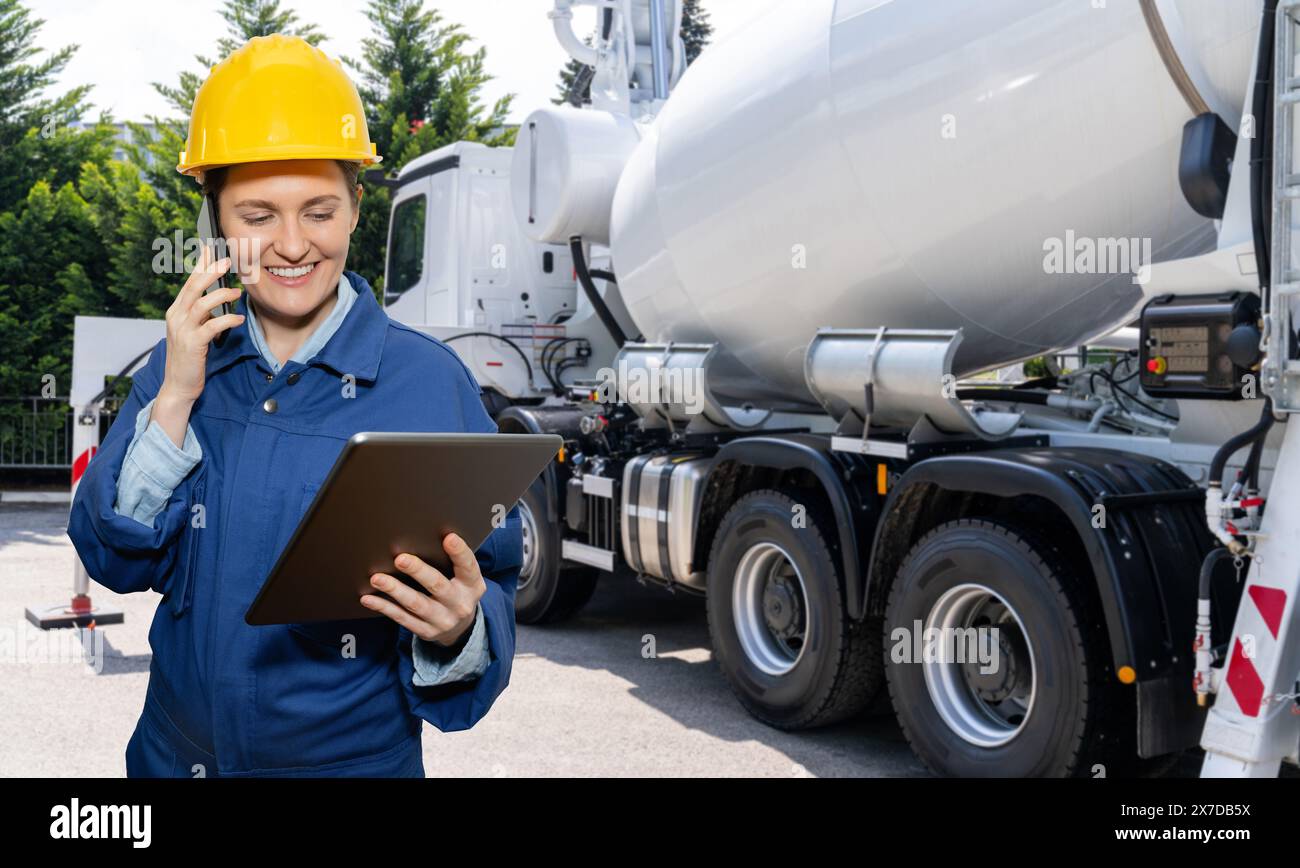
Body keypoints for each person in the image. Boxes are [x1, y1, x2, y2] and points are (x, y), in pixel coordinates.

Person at [65, 34, 522, 777]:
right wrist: (177, 394)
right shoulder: (179, 364)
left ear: (354, 211)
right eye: (257, 215)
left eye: (318, 211)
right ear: (215, 219)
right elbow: (112, 556)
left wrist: (463, 628)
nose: (290, 245)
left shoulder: (429, 385)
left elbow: (494, 575)